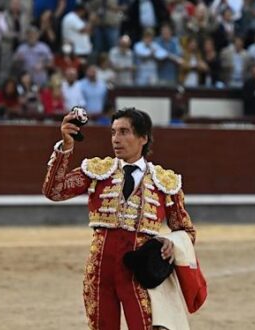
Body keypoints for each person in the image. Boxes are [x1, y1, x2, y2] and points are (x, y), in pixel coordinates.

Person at [42, 107, 196, 329]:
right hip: (100, 270)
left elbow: (187, 231)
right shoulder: (98, 171)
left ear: (143, 138)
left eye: (124, 132)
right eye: (113, 132)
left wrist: (171, 242)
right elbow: (54, 191)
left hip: (139, 271)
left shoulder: (165, 182)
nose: (116, 139)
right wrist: (66, 146)